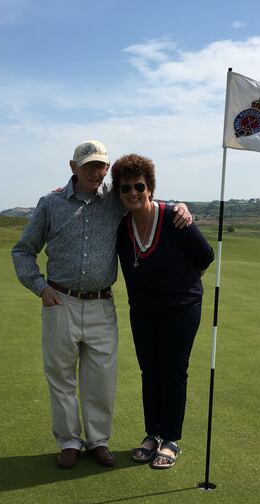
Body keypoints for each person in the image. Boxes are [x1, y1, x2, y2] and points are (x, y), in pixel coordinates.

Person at [11, 141, 193, 469]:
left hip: (101, 303)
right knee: (61, 377)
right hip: (61, 300)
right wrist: (40, 288)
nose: (97, 172)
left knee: (101, 378)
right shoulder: (50, 204)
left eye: (102, 166)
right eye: (89, 166)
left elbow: (144, 198)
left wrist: (179, 206)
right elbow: (23, 251)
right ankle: (68, 441)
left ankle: (98, 441)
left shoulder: (115, 200)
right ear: (73, 167)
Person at [112, 154, 214, 469]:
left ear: (150, 188)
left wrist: (182, 287)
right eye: (125, 187)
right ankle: (152, 434)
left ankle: (170, 440)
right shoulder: (122, 225)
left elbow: (205, 256)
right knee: (150, 372)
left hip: (181, 310)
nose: (133, 192)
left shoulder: (174, 218)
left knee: (172, 372)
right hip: (143, 311)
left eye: (139, 186)